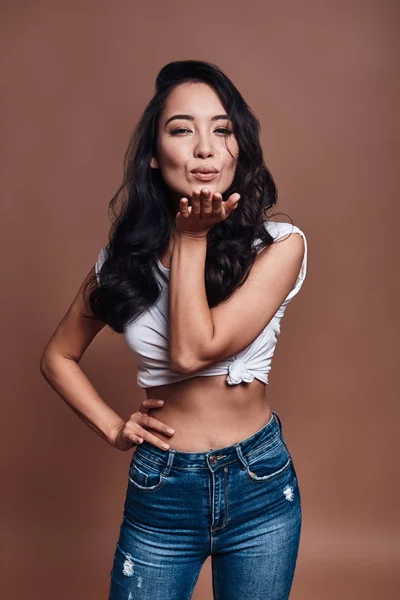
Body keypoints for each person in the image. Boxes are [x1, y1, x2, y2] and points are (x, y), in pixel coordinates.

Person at [40, 60, 308, 600]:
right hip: (161, 489)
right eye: (182, 129)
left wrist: (192, 239)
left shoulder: (280, 247)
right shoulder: (121, 265)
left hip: (259, 482)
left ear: (240, 149)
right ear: (154, 157)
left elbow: (194, 351)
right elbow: (58, 357)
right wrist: (115, 429)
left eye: (222, 129)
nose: (205, 148)